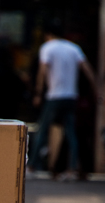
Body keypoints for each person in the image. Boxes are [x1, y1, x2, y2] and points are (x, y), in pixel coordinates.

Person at [28, 21, 97, 180]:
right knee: (71, 132)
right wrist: (96, 90)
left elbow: (42, 71)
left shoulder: (47, 48)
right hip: (71, 97)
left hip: (54, 96)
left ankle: (32, 166)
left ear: (48, 34)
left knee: (42, 130)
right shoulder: (73, 48)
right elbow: (87, 70)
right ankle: (72, 168)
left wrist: (38, 93)